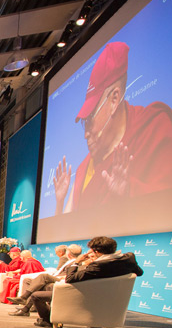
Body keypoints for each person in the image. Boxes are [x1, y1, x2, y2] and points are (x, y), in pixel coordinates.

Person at [53, 42, 172, 214]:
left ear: (114, 99)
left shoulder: (154, 127)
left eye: (90, 119)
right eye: (84, 123)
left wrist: (129, 191)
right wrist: (59, 202)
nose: (86, 134)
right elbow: (67, 222)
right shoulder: (85, 167)